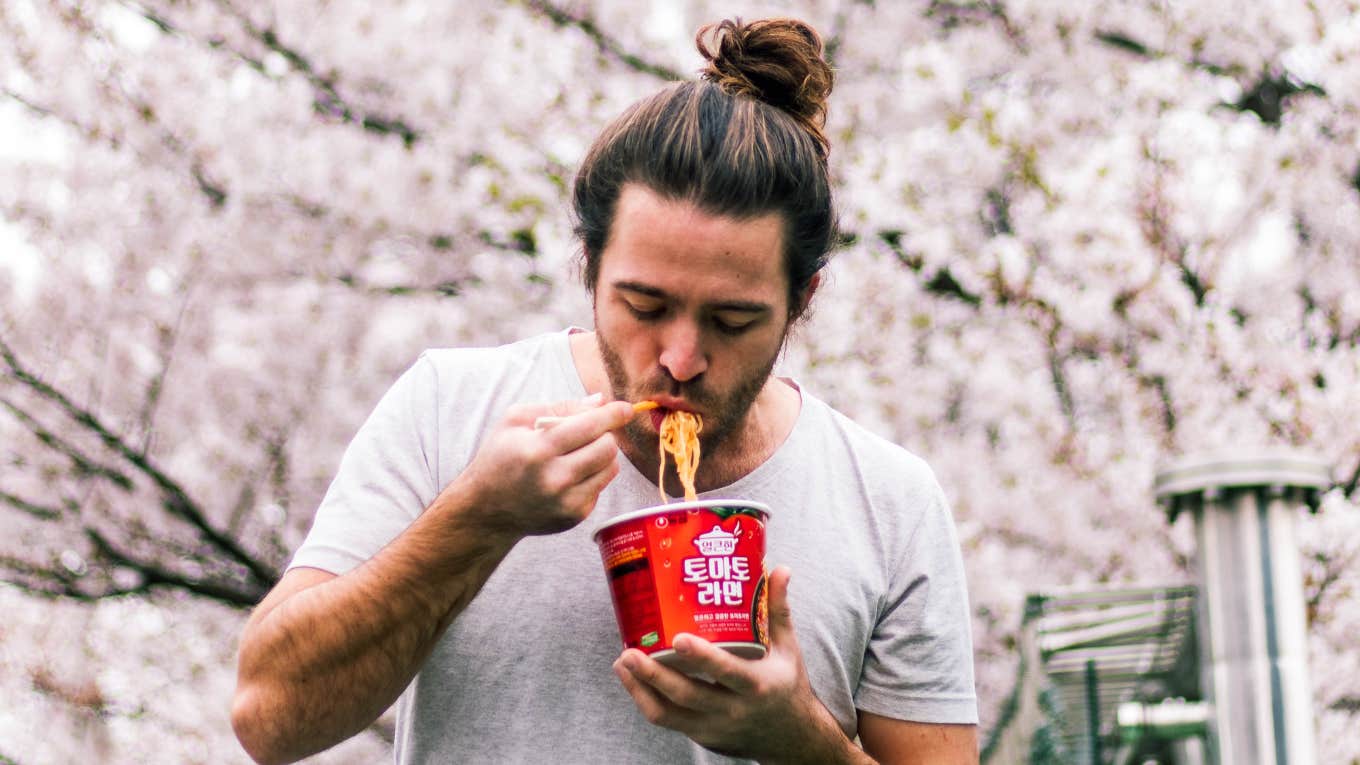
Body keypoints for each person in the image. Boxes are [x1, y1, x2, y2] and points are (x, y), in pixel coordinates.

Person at [231, 17, 978, 765]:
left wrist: (803, 741)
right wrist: (478, 518)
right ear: (589, 267)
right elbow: (269, 717)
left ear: (801, 300)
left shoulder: (888, 502)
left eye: (733, 320)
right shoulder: (450, 408)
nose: (682, 358)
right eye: (645, 307)